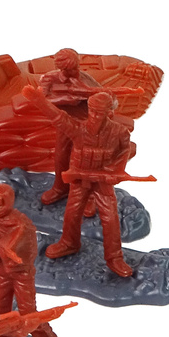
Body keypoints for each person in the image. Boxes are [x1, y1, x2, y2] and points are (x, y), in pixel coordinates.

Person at [22, 85, 135, 276]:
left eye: (100, 112)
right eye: (93, 111)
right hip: (79, 179)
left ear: (109, 112)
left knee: (109, 217)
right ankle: (69, 242)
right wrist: (39, 100)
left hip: (102, 182)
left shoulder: (119, 132)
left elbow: (124, 152)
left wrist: (114, 170)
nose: (95, 116)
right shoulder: (79, 129)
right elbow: (58, 117)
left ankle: (114, 257)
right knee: (72, 212)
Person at [0, 184, 59, 337]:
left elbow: (30, 252)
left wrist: (12, 258)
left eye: (0, 204)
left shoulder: (23, 225)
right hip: (1, 272)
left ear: (9, 202)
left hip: (21, 274)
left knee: (28, 314)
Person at [36, 48, 102, 206]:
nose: (75, 72)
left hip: (86, 124)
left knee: (87, 159)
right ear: (61, 69)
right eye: (71, 69)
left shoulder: (85, 78)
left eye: (76, 67)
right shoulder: (50, 78)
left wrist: (92, 97)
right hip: (65, 123)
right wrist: (67, 99)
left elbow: (106, 98)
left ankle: (88, 194)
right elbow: (40, 99)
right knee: (61, 156)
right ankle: (61, 187)